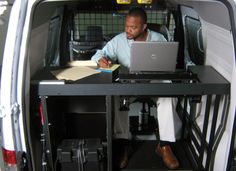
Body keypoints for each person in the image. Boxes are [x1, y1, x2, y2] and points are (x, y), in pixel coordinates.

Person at [91, 7, 180, 170]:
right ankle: (125, 143)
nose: (128, 30)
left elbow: (170, 63)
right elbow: (97, 54)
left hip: (155, 83)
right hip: (130, 85)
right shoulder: (118, 40)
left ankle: (164, 146)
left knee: (169, 95)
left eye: (133, 27)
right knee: (116, 97)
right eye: (126, 26)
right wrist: (101, 60)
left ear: (144, 27)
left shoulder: (159, 38)